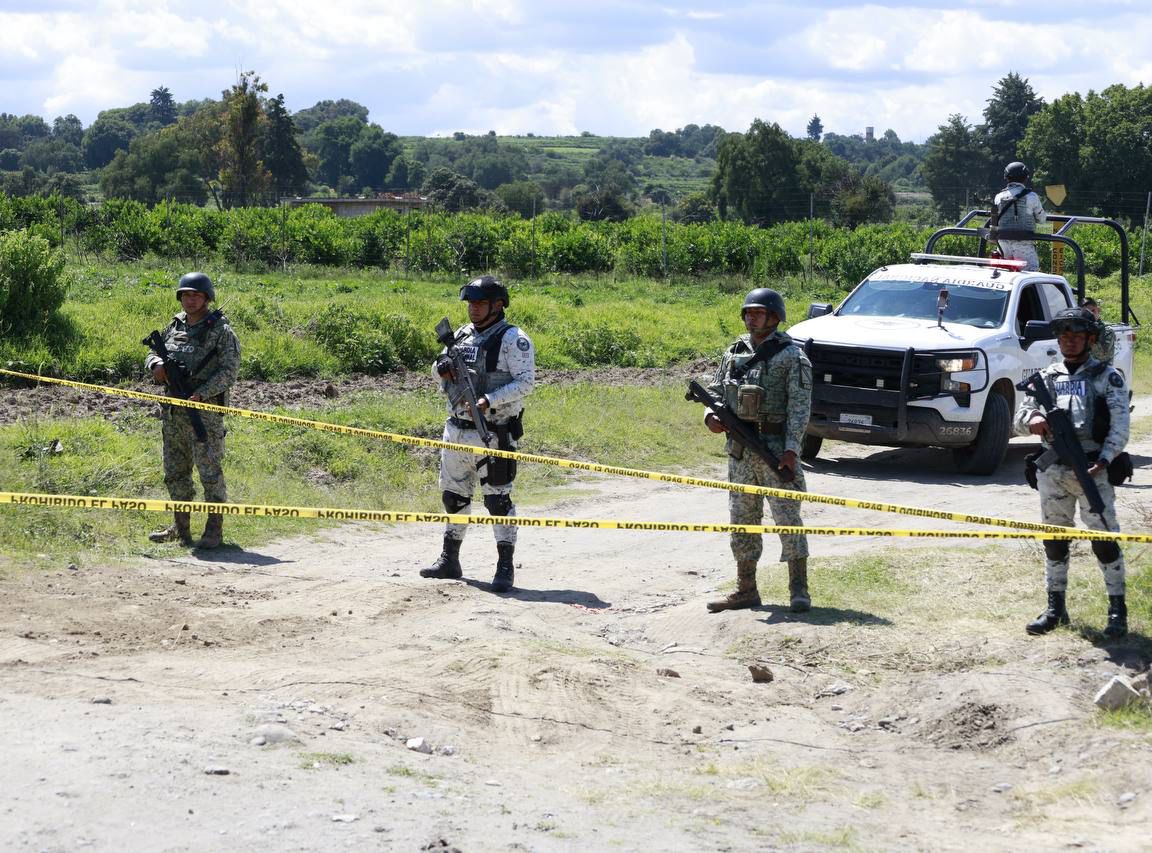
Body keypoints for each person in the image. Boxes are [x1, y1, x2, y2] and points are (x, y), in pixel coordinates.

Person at [1014, 307, 1130, 638]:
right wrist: (1032, 420)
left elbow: (1120, 427)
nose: (1069, 342)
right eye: (1064, 336)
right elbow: (1019, 418)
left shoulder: (1107, 377)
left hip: (1094, 469)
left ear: (1090, 339)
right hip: (1054, 471)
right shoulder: (1047, 377)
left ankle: (1117, 610)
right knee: (1055, 539)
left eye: (1076, 336)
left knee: (1105, 541)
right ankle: (1055, 608)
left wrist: (1104, 460)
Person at [421, 275, 536, 593]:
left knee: (498, 501)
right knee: (453, 496)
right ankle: (450, 559)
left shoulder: (514, 339)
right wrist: (441, 366)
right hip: (456, 431)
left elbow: (526, 382)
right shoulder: (460, 335)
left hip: (494, 432)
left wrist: (488, 400)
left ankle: (504, 567)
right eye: (470, 303)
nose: (473, 309)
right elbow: (436, 370)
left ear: (498, 306)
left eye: (480, 303)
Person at [704, 287, 813, 614]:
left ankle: (799, 589)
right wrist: (710, 416)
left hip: (776, 451)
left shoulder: (791, 356)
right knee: (742, 520)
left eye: (758, 313)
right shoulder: (733, 351)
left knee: (787, 518)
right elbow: (715, 390)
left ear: (775, 317)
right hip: (740, 452)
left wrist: (791, 451)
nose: (751, 317)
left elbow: (799, 407)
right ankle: (746, 589)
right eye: (748, 313)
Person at [145, 272, 241, 549]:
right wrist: (155, 366)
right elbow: (154, 353)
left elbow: (229, 371)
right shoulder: (174, 326)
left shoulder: (221, 331)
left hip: (205, 414)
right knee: (175, 471)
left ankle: (214, 530)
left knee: (210, 471)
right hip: (173, 413)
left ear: (207, 298)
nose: (190, 300)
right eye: (186, 295)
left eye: (196, 295)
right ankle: (181, 527)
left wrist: (203, 393)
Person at [993, 161, 1047, 271]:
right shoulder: (1031, 196)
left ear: (1006, 178)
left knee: (1006, 273)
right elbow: (1042, 220)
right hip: (1023, 241)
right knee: (1031, 273)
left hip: (1003, 242)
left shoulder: (998, 196)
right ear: (1025, 178)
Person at [1080, 297, 1116, 363]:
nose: (1091, 314)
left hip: (1102, 370)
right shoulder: (1080, 329)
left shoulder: (1107, 330)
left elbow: (1101, 355)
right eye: (1087, 313)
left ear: (1098, 310)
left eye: (1093, 311)